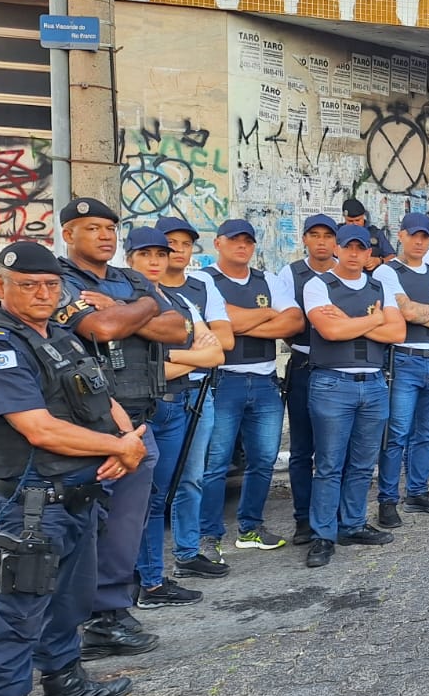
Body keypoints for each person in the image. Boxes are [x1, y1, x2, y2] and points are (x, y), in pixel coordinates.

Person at [0, 241, 148, 696]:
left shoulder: (60, 337)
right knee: (19, 616)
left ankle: (65, 683)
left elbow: (101, 400)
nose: (42, 294)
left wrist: (125, 441)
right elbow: (36, 427)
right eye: (27, 286)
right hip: (31, 505)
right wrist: (118, 449)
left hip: (78, 496)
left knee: (72, 598)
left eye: (49, 285)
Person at [57, 198, 183, 659]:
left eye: (111, 228)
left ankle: (110, 613)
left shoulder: (130, 280)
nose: (106, 235)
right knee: (84, 526)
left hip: (139, 419)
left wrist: (136, 304)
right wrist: (148, 305)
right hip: (88, 424)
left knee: (125, 525)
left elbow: (178, 329)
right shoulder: (60, 281)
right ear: (69, 234)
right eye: (93, 228)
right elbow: (102, 328)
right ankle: (73, 623)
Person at [125, 227, 225, 609]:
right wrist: (185, 359)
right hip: (148, 408)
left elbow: (215, 354)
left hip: (181, 401)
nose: (154, 261)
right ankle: (147, 582)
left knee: (167, 492)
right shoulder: (124, 300)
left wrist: (169, 361)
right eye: (145, 254)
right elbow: (134, 371)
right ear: (130, 258)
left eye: (160, 254)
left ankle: (156, 574)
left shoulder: (179, 299)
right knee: (146, 499)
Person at [192, 218, 304, 556]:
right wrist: (267, 314)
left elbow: (295, 322)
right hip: (223, 380)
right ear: (219, 244)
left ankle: (251, 527)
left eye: (247, 241)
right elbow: (215, 321)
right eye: (234, 240)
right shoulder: (202, 280)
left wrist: (237, 323)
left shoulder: (267, 279)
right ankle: (208, 536)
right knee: (216, 462)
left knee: (264, 459)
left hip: (266, 381)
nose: (242, 246)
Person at [302, 224, 407, 567]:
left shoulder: (379, 285)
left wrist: (353, 321)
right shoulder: (318, 285)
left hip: (374, 382)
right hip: (333, 384)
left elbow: (399, 331)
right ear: (338, 248)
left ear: (368, 254)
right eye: (348, 247)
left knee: (363, 463)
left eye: (361, 249)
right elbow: (330, 331)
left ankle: (353, 523)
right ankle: (322, 535)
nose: (354, 254)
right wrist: (374, 319)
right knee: (330, 464)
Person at [155, 216, 235, 582]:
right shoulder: (137, 290)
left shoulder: (198, 288)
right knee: (152, 489)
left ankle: (186, 554)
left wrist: (172, 358)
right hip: (156, 397)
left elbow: (223, 343)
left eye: (185, 244)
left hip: (198, 394)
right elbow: (142, 362)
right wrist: (194, 353)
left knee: (192, 479)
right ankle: (146, 569)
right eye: (169, 243)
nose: (178, 250)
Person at [376, 212, 429, 527]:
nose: (418, 241)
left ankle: (417, 491)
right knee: (397, 434)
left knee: (427, 432)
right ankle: (388, 500)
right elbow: (404, 312)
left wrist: (420, 310)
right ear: (400, 236)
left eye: (424, 236)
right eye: (413, 235)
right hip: (404, 360)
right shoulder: (388, 272)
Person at [282, 214, 339, 545]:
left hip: (338, 365)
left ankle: (337, 516)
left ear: (336, 242)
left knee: (334, 450)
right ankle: (303, 519)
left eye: (327, 236)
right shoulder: (291, 273)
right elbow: (289, 323)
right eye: (314, 235)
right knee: (303, 449)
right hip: (304, 363)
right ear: (304, 239)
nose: (321, 241)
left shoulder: (347, 271)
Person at [341, 196, 396, 270]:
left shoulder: (375, 233)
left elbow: (392, 257)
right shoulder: (338, 233)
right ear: (344, 218)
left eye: (358, 220)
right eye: (350, 221)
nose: (354, 224)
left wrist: (379, 261)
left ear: (363, 216)